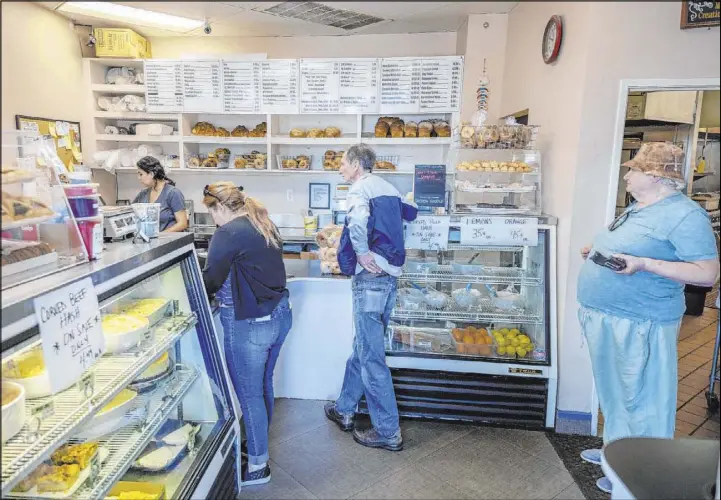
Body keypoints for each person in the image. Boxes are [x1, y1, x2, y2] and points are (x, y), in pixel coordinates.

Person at [576, 142, 719, 494]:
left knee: (643, 397)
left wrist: (644, 264)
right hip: (609, 315)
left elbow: (707, 274)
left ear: (655, 175)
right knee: (615, 391)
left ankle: (642, 473)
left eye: (633, 169)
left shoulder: (685, 216)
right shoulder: (641, 206)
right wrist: (597, 252)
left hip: (642, 321)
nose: (627, 174)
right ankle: (617, 450)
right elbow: (636, 247)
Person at [324, 144, 418, 451]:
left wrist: (362, 253)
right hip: (389, 278)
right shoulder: (389, 187)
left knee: (372, 358)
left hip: (370, 279)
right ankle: (345, 409)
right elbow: (412, 214)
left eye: (342, 163)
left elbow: (359, 222)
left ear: (355, 164)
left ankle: (388, 431)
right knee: (364, 346)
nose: (340, 168)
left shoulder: (360, 189)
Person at [202, 182, 291, 486]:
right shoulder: (262, 221)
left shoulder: (227, 232)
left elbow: (210, 279)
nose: (212, 219)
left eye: (211, 212)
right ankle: (257, 443)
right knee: (263, 383)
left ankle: (257, 467)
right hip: (279, 315)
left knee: (249, 394)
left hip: (249, 323)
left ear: (222, 208)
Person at [133, 156, 188, 232]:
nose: (138, 178)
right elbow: (130, 214)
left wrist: (160, 236)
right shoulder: (142, 195)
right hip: (150, 242)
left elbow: (182, 223)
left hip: (169, 241)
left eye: (141, 174)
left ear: (151, 174)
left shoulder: (173, 193)